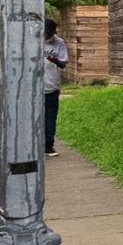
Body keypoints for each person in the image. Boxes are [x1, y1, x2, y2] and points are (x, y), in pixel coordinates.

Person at [42, 18, 70, 157]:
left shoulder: (58, 42)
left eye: (50, 34)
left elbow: (63, 64)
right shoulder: (32, 40)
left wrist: (55, 60)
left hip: (51, 86)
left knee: (50, 118)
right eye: (45, 33)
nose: (47, 36)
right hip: (33, 89)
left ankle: (48, 146)